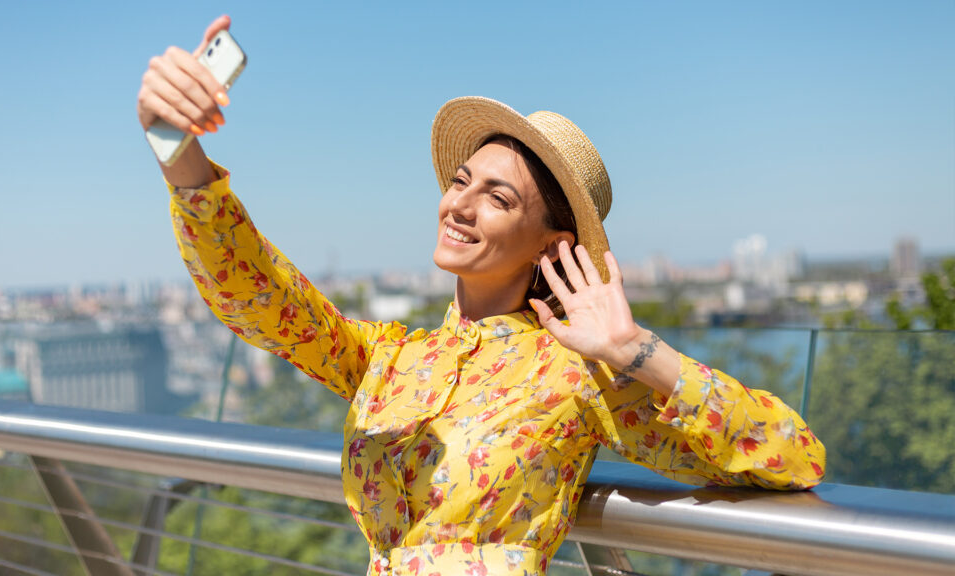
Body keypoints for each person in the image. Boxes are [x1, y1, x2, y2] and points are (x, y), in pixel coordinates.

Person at [138, 16, 825, 576]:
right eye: (460, 182)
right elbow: (261, 300)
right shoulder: (393, 357)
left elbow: (791, 456)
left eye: (496, 197)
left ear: (551, 248)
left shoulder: (578, 374)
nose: (458, 206)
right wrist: (179, 155)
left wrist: (634, 349)